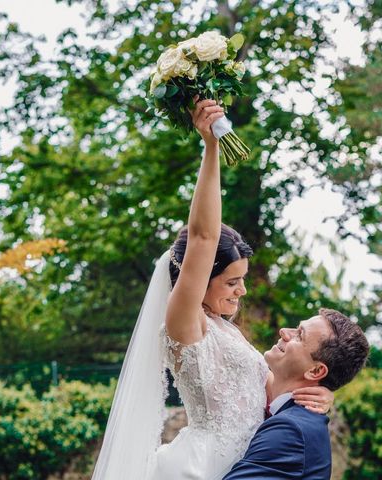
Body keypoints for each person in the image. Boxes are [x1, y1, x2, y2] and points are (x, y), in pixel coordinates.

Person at [92, 99, 334, 480]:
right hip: (199, 468)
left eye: (243, 280)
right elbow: (204, 236)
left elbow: (269, 396)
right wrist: (211, 146)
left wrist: (317, 395)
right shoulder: (186, 325)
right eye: (232, 281)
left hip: (240, 464)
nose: (242, 292)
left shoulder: (227, 331)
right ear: (198, 278)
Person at [223, 308, 369, 479]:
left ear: (315, 372)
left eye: (300, 335)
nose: (283, 331)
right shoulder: (291, 416)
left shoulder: (291, 430)